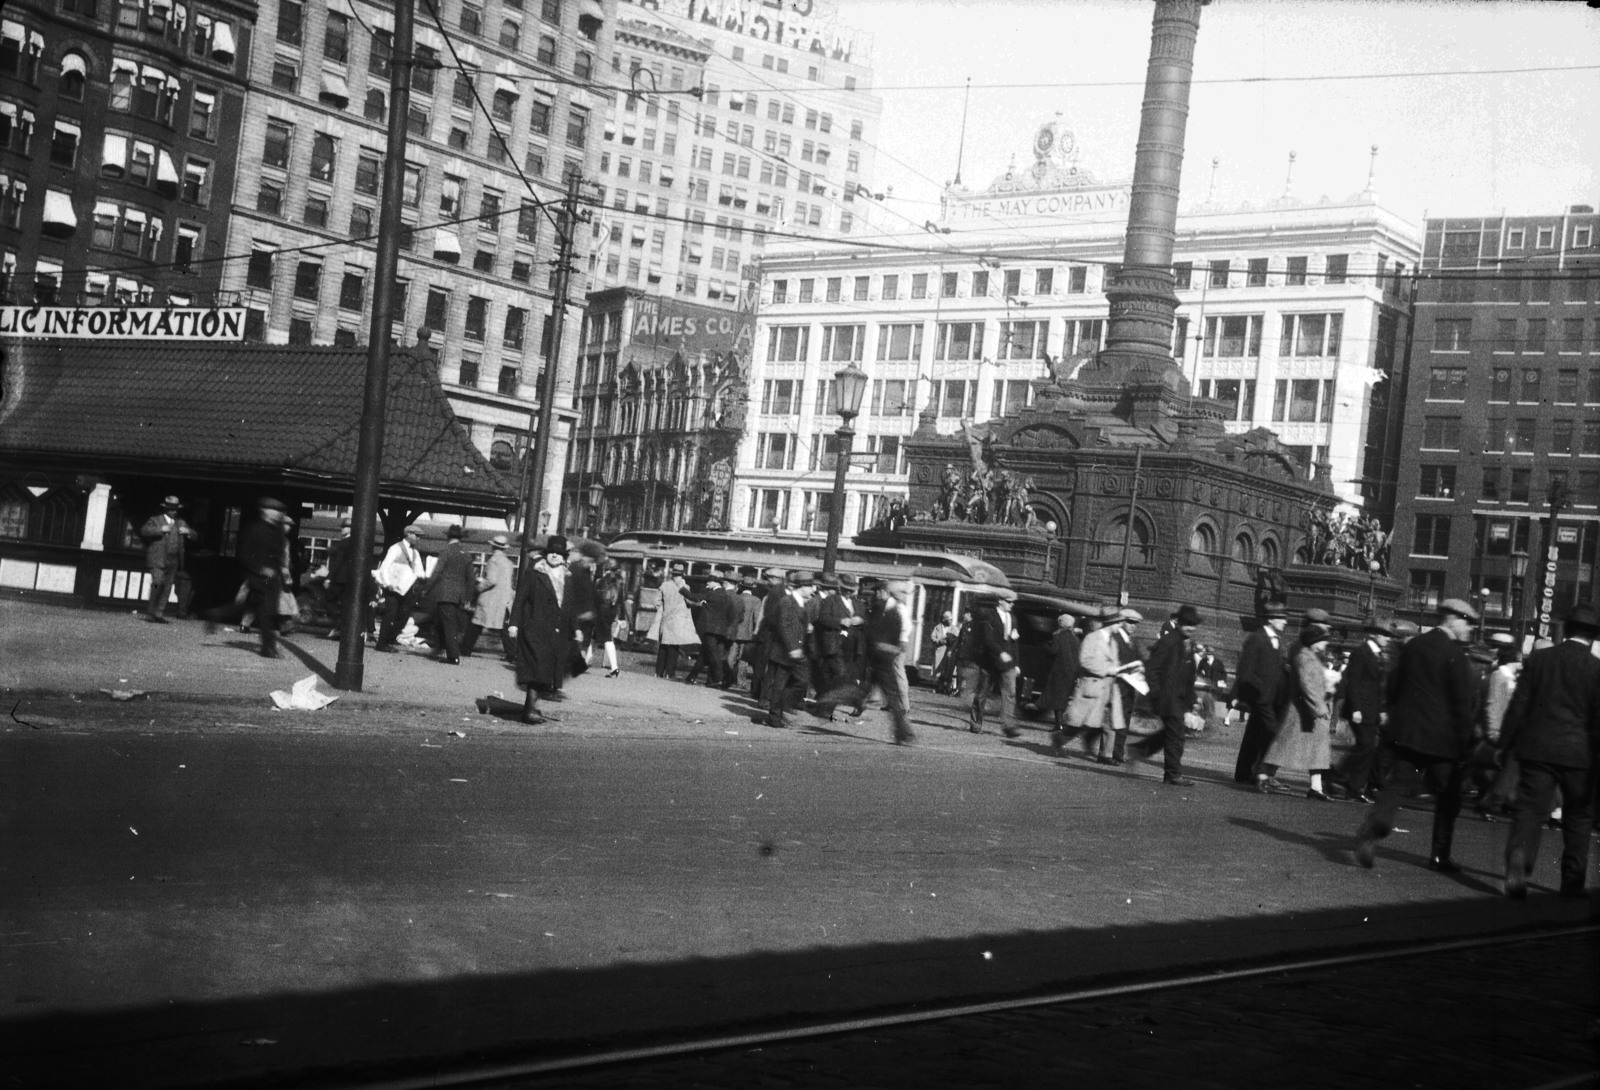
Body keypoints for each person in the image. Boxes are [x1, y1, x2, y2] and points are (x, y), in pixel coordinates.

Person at [1355, 598, 1481, 872]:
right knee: (1448, 796)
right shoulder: (1456, 655)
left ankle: (1372, 831)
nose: (1470, 628)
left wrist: (1395, 717)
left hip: (1409, 732)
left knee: (1398, 785)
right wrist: (1467, 741)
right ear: (1453, 619)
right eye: (1468, 622)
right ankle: (1439, 855)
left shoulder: (1414, 646)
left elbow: (1395, 684)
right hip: (1442, 741)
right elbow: (1461, 703)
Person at [1496, 602, 1600, 900]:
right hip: (1581, 755)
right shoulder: (1596, 670)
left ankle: (1519, 860)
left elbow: (1518, 708)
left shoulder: (1540, 660)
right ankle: (1572, 881)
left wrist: (1503, 746)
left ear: (1564, 630)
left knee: (1530, 809)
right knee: (1579, 817)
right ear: (1593, 636)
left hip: (1537, 749)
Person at [506, 535, 594, 724]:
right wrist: (513, 623)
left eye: (559, 553)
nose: (554, 555)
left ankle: (531, 707)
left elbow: (569, 607)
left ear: (564, 557)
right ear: (546, 555)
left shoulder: (567, 578)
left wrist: (576, 629)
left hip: (558, 631)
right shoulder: (534, 573)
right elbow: (520, 600)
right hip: (535, 628)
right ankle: (529, 711)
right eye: (551, 552)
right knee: (536, 668)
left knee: (548, 670)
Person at [1256, 624, 1336, 798]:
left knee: (1313, 748)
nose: (1325, 645)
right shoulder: (1305, 658)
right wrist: (1320, 706)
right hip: (1304, 712)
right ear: (1314, 642)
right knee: (1285, 745)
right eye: (1323, 641)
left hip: (1308, 711)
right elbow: (1307, 685)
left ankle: (1316, 787)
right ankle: (1264, 775)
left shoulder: (1309, 657)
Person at [206, 498, 289, 657]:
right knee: (266, 612)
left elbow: (277, 557)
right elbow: (244, 554)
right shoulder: (254, 529)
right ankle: (267, 648)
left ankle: (216, 614)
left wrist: (282, 573)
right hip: (257, 577)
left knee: (255, 608)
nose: (278, 514)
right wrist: (260, 569)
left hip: (273, 579)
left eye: (279, 511)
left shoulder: (278, 532)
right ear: (265, 511)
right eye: (274, 511)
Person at [1137, 604, 1201, 786]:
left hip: (1179, 698)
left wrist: (1193, 699)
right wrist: (1157, 695)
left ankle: (1138, 751)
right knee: (1176, 735)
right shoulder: (1168, 641)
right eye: (1188, 624)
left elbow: (1188, 676)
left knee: (1172, 734)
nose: (1192, 628)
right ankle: (1173, 774)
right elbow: (1152, 669)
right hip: (1168, 697)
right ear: (1179, 623)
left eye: (1194, 625)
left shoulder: (1186, 643)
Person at [1333, 618, 1392, 803]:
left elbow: (1379, 686)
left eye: (1389, 635)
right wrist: (1356, 709)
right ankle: (1353, 787)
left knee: (1366, 747)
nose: (1387, 638)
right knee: (1367, 746)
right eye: (1384, 634)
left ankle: (1342, 779)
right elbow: (1354, 682)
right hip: (1361, 709)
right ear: (1373, 634)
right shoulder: (1362, 652)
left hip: (1372, 709)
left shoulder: (1379, 655)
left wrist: (1381, 710)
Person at [1232, 603, 1289, 783]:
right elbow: (1246, 670)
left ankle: (1243, 773)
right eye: (1281, 618)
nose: (1285, 622)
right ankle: (1261, 772)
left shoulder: (1278, 640)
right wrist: (1255, 694)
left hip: (1271, 698)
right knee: (1272, 732)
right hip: (1260, 697)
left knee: (1253, 736)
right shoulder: (1256, 639)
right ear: (1270, 619)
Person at [957, 588, 1021, 738]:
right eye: (1009, 602)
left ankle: (1008, 726)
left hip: (1007, 663)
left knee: (1010, 694)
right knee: (981, 693)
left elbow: (1014, 643)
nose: (1011, 605)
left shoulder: (1013, 618)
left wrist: (1016, 663)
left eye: (1013, 603)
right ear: (1000, 601)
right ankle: (976, 722)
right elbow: (987, 639)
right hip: (989, 661)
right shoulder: (989, 617)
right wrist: (1000, 652)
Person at [762, 571, 814, 729]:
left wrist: (807, 627)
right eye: (810, 586)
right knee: (782, 683)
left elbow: (795, 624)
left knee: (797, 681)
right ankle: (774, 715)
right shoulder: (787, 601)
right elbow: (784, 625)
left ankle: (779, 708)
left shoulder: (800, 602)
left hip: (795, 649)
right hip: (786, 650)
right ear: (802, 587)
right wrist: (793, 648)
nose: (812, 589)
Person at [418, 525, 474, 664]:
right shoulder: (466, 554)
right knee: (440, 622)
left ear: (448, 537)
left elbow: (437, 572)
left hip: (445, 594)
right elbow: (471, 578)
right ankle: (441, 647)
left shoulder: (446, 551)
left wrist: (426, 589)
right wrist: (467, 598)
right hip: (458, 596)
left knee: (449, 625)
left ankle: (453, 656)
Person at [140, 495, 197, 623]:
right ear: (165, 509)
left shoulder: (180, 523)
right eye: (171, 509)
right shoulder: (155, 520)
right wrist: (160, 529)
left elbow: (195, 535)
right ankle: (150, 612)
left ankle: (159, 613)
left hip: (174, 560)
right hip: (157, 558)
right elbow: (144, 530)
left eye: (176, 509)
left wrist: (188, 531)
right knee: (158, 582)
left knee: (167, 586)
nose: (174, 512)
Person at [374, 525, 427, 652]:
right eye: (416, 535)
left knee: (404, 616)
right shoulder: (396, 548)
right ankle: (382, 644)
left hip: (407, 588)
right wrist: (387, 583)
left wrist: (423, 576)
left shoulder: (415, 553)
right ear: (408, 534)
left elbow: (419, 571)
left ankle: (388, 639)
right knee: (390, 615)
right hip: (393, 587)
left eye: (419, 536)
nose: (418, 538)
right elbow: (385, 567)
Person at [464, 534, 516, 661]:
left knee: (476, 625)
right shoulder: (508, 562)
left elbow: (491, 580)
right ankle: (512, 653)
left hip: (490, 599)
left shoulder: (493, 560)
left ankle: (465, 649)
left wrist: (478, 588)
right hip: (503, 599)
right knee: (503, 628)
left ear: (493, 546)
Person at [686, 573, 737, 688]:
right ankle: (691, 676)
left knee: (714, 656)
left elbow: (693, 597)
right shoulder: (730, 596)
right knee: (705, 654)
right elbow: (733, 616)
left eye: (709, 581)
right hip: (723, 631)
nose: (707, 583)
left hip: (712, 630)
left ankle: (725, 677)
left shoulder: (716, 594)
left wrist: (680, 589)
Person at [808, 574, 851, 710]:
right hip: (816, 642)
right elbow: (810, 622)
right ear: (828, 589)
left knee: (824, 672)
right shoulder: (815, 601)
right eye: (834, 589)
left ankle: (820, 699)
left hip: (827, 643)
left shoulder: (826, 601)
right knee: (818, 672)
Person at [1040, 611, 1082, 749]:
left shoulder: (1057, 636)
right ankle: (1060, 723)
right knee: (1064, 697)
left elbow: (1053, 650)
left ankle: (1058, 724)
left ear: (1060, 624)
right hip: (1072, 672)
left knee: (1057, 698)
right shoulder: (1076, 638)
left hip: (1059, 671)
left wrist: (1045, 645)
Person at [652, 564, 700, 679]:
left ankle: (658, 672)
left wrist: (663, 609)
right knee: (674, 647)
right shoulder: (685, 587)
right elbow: (689, 601)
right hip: (678, 621)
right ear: (682, 574)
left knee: (663, 646)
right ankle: (669, 672)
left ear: (672, 574)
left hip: (666, 619)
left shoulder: (665, 585)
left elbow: (656, 601)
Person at [591, 557, 626, 677]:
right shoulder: (619, 581)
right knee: (595, 638)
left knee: (606, 639)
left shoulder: (601, 580)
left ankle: (614, 667)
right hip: (612, 611)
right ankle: (583, 663)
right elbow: (621, 600)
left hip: (601, 611)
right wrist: (622, 617)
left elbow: (595, 598)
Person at [731, 576, 764, 688]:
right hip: (747, 634)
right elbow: (756, 619)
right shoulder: (756, 600)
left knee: (731, 656)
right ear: (752, 588)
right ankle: (741, 682)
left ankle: (727, 679)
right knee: (743, 659)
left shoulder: (736, 597)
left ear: (741, 586)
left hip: (733, 632)